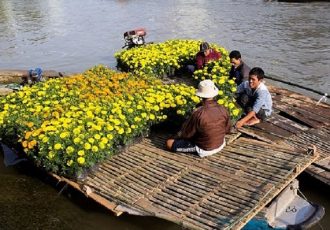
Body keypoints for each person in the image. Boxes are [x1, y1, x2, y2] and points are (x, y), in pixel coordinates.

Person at [166, 79, 231, 157]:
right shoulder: (223, 109)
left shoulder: (198, 112)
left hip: (205, 149)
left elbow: (187, 134)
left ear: (200, 96)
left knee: (169, 143)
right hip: (220, 143)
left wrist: (176, 135)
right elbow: (227, 129)